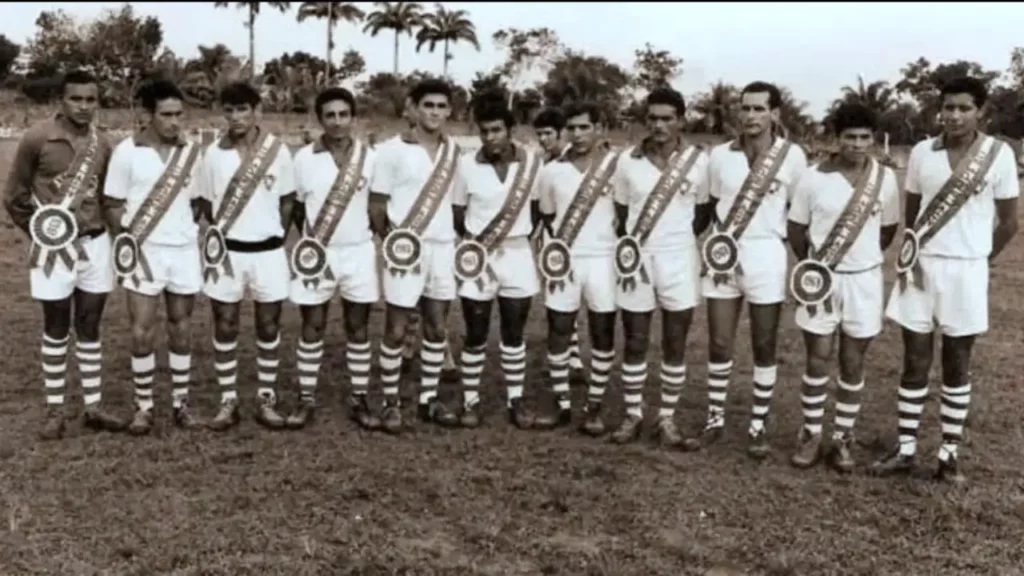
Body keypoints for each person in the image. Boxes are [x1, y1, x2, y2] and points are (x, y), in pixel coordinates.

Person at [872, 77, 1019, 484]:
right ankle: (904, 450)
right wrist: (913, 258)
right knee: (914, 360)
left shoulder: (999, 155)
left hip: (967, 271)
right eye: (948, 107)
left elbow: (1009, 222)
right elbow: (914, 217)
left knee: (957, 361)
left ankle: (948, 454)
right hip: (922, 268)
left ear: (981, 111)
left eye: (964, 108)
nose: (954, 115)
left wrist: (978, 256)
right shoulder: (922, 152)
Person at [685, 81, 808, 457]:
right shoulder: (719, 156)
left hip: (767, 253)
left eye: (759, 109)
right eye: (746, 108)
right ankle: (715, 420)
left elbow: (799, 213)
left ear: (774, 114)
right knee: (720, 341)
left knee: (764, 342)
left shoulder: (793, 156)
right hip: (723, 254)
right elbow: (705, 209)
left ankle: (757, 425)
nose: (751, 116)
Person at [3, 68, 124, 439]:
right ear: (62, 100)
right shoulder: (37, 138)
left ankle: (93, 407)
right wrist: (43, 234)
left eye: (91, 100)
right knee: (55, 328)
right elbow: (15, 196)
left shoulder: (105, 144)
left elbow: (108, 197)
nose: (84, 107)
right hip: (52, 252)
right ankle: (54, 410)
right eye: (77, 98)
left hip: (95, 244)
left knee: (89, 326)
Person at [786, 102, 899, 471]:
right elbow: (797, 230)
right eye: (850, 137)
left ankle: (843, 438)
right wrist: (816, 269)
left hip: (864, 280)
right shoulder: (813, 177)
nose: (857, 144)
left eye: (865, 137)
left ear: (873, 139)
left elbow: (887, 230)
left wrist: (859, 259)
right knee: (817, 357)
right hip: (822, 280)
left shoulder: (884, 178)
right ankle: (811, 433)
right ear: (836, 139)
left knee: (853, 361)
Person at [608, 89, 713, 445]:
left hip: (680, 257)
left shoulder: (700, 162)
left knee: (674, 340)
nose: (659, 125)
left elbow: (702, 215)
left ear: (681, 120)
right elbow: (621, 213)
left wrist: (674, 240)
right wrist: (641, 245)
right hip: (637, 258)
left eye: (667, 118)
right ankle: (633, 413)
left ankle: (667, 418)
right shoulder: (627, 160)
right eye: (653, 118)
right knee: (635, 338)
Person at [103, 80, 206, 434]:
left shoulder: (193, 152)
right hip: (144, 253)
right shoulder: (127, 151)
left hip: (183, 252)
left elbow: (197, 203)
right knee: (142, 331)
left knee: (181, 326)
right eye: (166, 115)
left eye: (179, 114)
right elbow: (113, 204)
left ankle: (181, 403)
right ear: (149, 115)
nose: (175, 122)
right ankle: (143, 406)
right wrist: (129, 243)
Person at [195, 81, 296, 431]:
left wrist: (271, 232)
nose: (236, 117)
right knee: (225, 324)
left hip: (268, 252)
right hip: (228, 254)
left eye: (243, 110)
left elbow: (287, 201)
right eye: (230, 110)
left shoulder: (278, 151)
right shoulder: (212, 154)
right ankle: (228, 399)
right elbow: (206, 204)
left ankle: (266, 397)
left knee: (269, 325)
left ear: (257, 112)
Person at [369, 79, 462, 432]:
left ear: (449, 111)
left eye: (441, 106)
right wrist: (394, 244)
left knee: (437, 326)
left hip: (441, 247)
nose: (435, 112)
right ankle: (391, 402)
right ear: (413, 107)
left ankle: (428, 400)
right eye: (428, 105)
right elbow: (377, 205)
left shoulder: (454, 152)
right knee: (395, 328)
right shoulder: (391, 150)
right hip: (405, 251)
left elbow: (455, 204)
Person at [286, 87, 378, 429]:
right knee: (313, 325)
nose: (337, 122)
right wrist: (313, 244)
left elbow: (376, 205)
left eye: (343, 115)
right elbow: (296, 207)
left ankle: (359, 397)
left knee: (358, 326)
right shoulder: (304, 158)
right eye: (330, 115)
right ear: (320, 119)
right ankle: (306, 398)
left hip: (359, 251)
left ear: (352, 117)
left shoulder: (370, 157)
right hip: (318, 254)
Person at [451, 98, 544, 428]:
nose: (490, 137)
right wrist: (478, 249)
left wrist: (513, 237)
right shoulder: (465, 164)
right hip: (479, 257)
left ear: (511, 130)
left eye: (497, 130)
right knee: (475, 333)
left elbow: (535, 212)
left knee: (514, 333)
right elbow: (458, 214)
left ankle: (515, 400)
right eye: (484, 131)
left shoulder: (532, 162)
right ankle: (470, 401)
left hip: (518, 254)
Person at [534, 102, 620, 434]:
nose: (578, 134)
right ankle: (561, 402)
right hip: (565, 260)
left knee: (602, 331)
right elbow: (546, 216)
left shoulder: (617, 166)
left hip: (604, 259)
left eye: (585, 127)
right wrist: (558, 255)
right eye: (572, 128)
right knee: (558, 329)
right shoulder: (552, 170)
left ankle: (594, 405)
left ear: (600, 127)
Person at [532, 107, 585, 383]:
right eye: (539, 134)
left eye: (548, 133)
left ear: (562, 132)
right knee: (558, 296)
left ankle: (573, 356)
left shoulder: (575, 160)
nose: (543, 139)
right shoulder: (542, 163)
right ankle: (569, 356)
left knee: (575, 297)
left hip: (581, 238)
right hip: (551, 238)